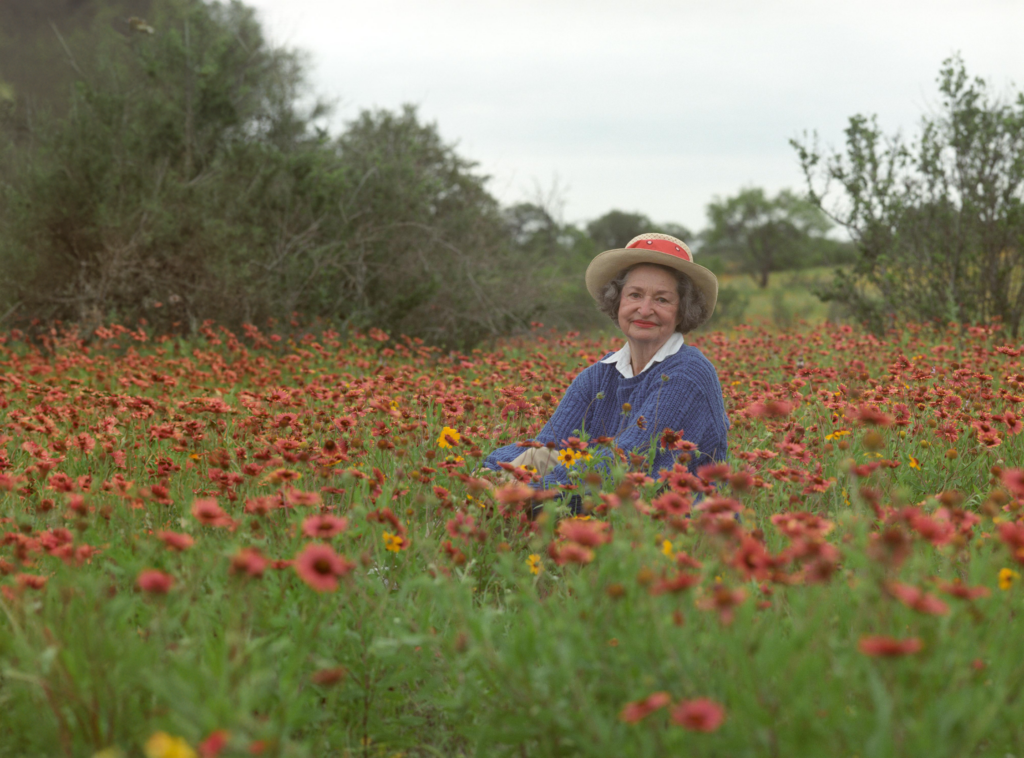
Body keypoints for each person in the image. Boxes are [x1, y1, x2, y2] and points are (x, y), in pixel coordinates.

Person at [483, 232, 729, 494]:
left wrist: (535, 491)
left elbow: (628, 462)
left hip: (678, 522)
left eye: (662, 299)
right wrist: (491, 471)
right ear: (617, 301)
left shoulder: (687, 374)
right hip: (598, 504)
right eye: (635, 295)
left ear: (682, 311)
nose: (645, 310)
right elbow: (548, 445)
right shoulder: (600, 375)